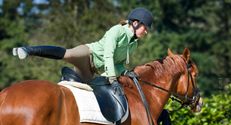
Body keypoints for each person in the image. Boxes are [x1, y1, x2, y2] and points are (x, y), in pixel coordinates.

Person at [13, 7, 153, 85]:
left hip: (91, 71)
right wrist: (112, 77)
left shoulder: (133, 45)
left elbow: (118, 64)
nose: (146, 32)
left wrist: (124, 71)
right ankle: (27, 50)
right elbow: (108, 55)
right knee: (67, 54)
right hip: (87, 54)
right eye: (145, 28)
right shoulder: (116, 31)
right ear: (135, 23)